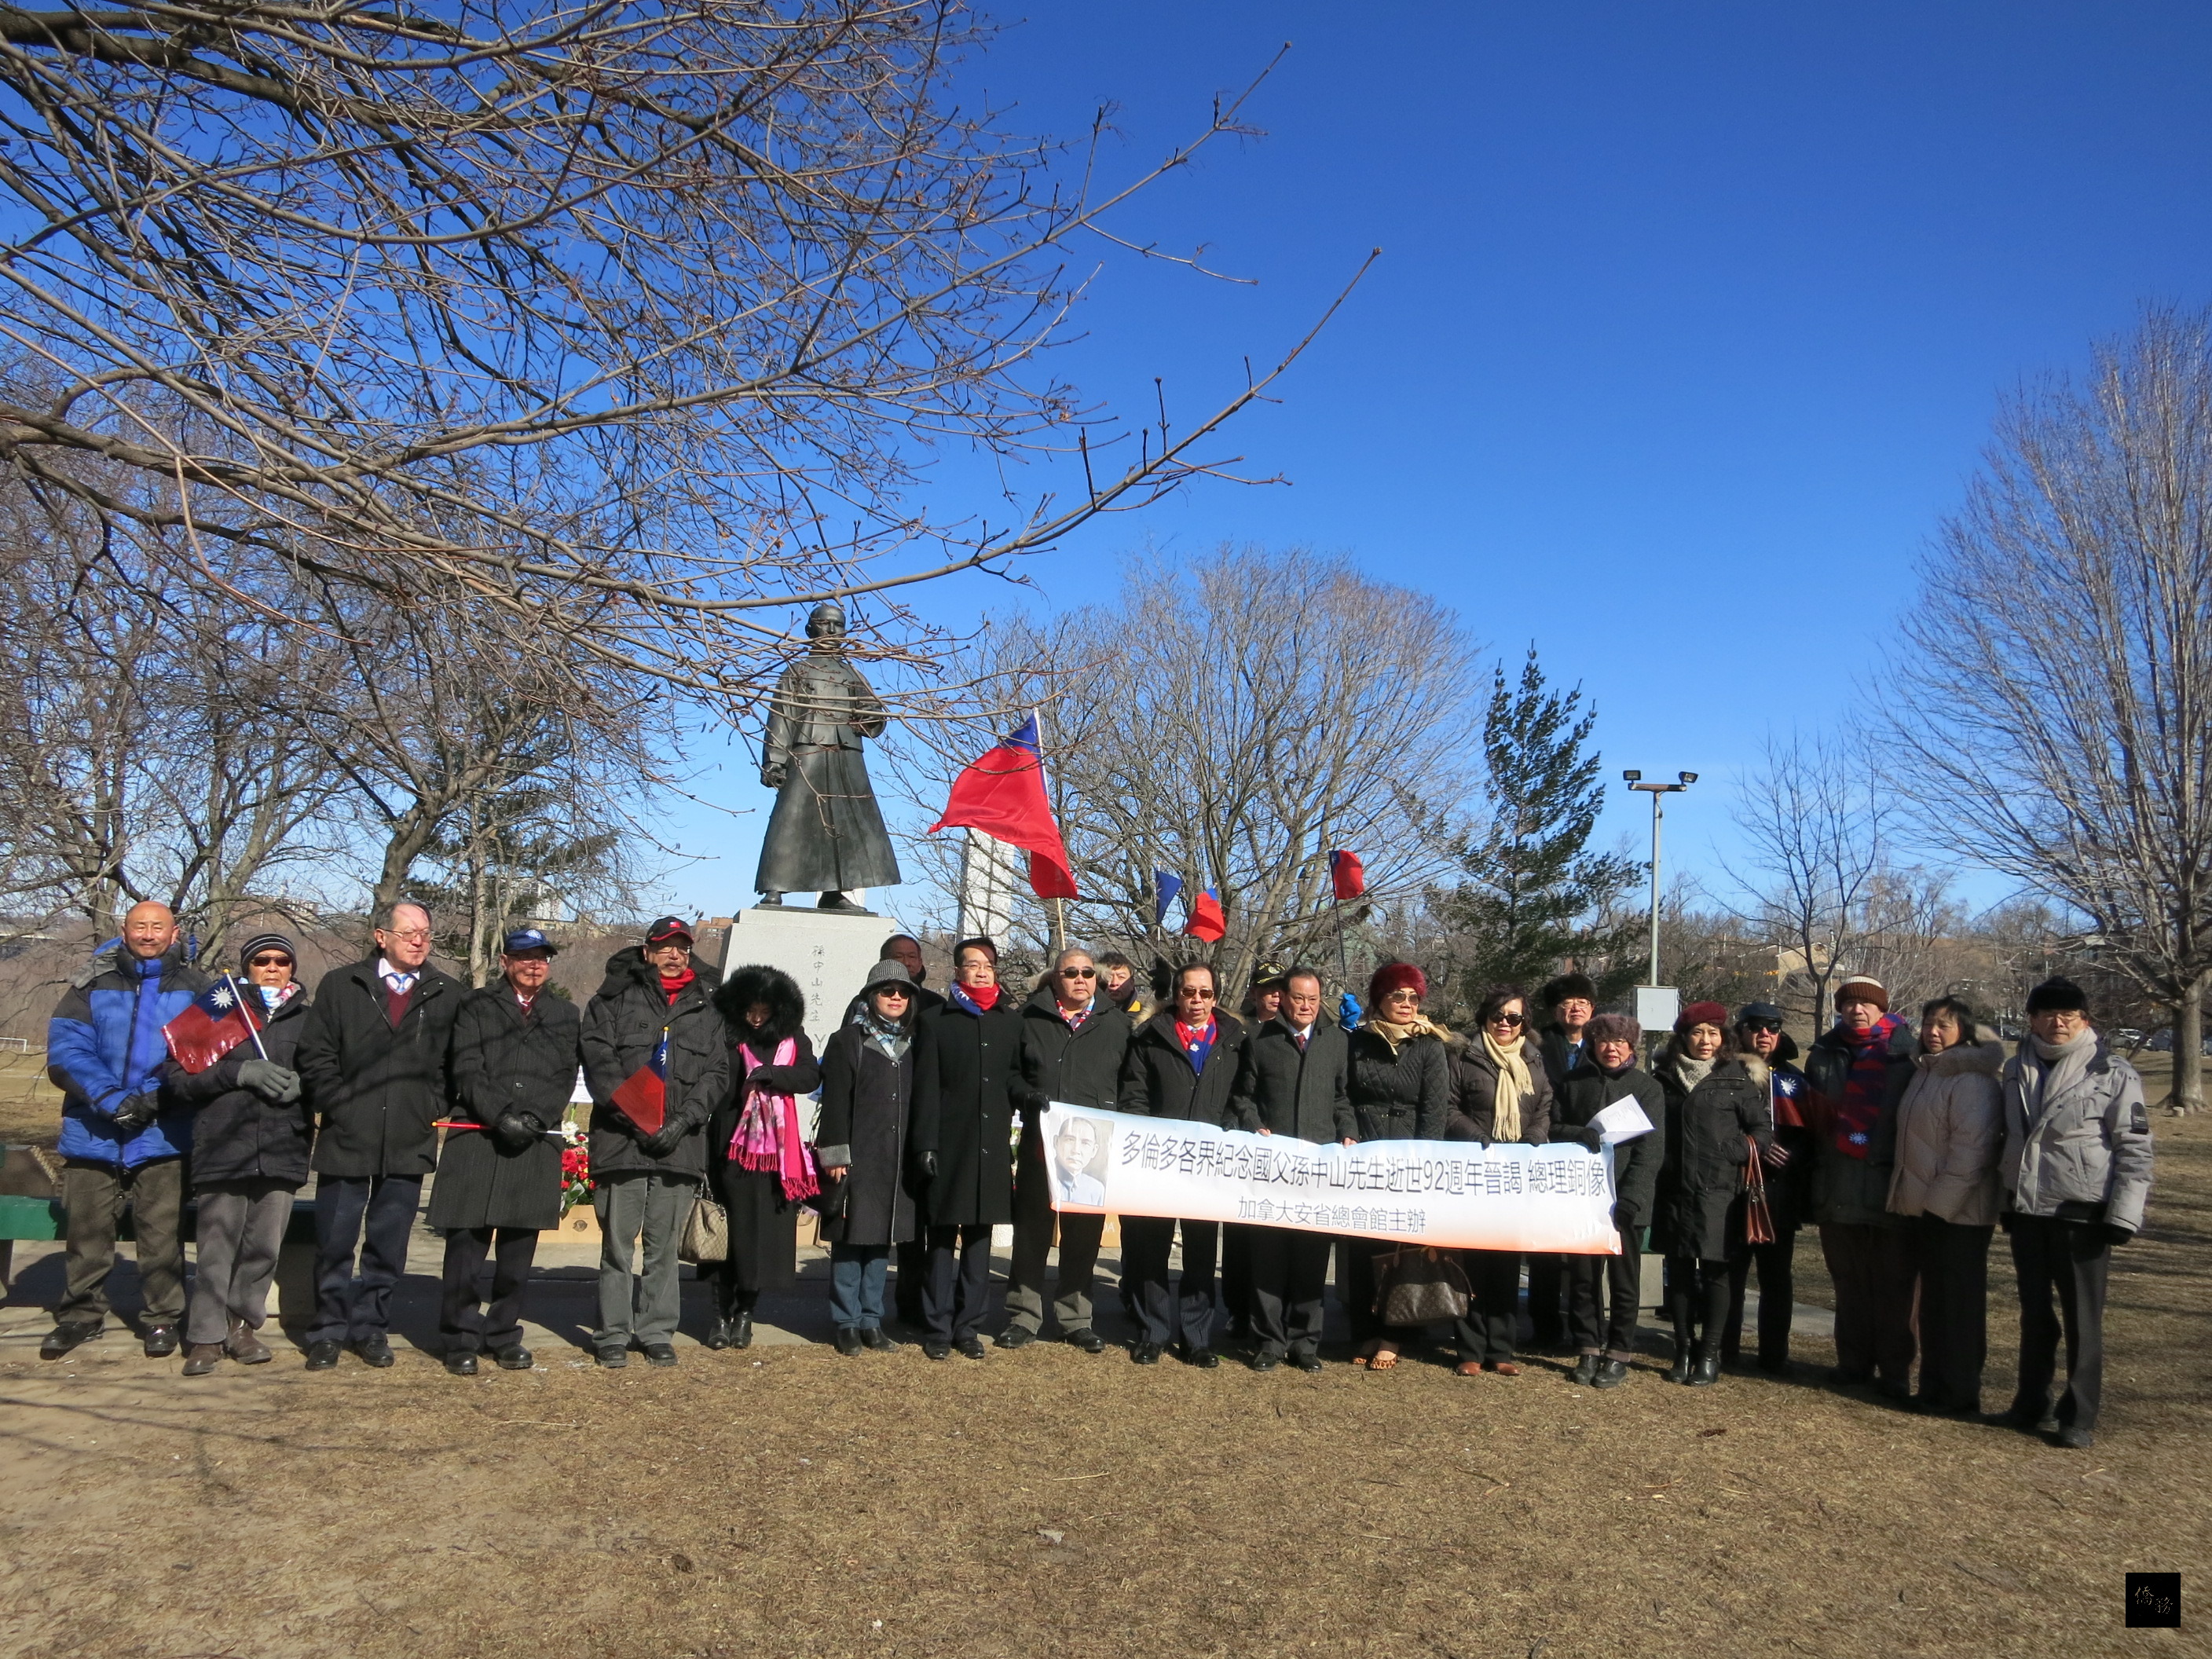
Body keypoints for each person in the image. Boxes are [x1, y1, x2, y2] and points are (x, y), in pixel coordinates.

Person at [295, 900, 463, 1370]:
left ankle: (372, 1328)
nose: (419, 941)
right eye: (409, 932)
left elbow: (453, 1067)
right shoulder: (342, 985)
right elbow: (316, 1054)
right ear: (381, 936)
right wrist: (339, 1103)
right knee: (334, 1242)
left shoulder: (445, 992)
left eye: (426, 934)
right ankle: (327, 1330)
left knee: (387, 1247)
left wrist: (431, 1107)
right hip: (348, 1137)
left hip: (409, 1140)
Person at [41, 900, 210, 1361]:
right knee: (87, 1230)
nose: (149, 934)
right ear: (125, 929)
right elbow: (67, 1051)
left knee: (161, 1235)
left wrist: (156, 1098)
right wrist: (112, 1101)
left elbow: (200, 1056)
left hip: (165, 1131)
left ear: (174, 934)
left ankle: (162, 1320)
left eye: (159, 927)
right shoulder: (89, 985)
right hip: (93, 1128)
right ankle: (80, 1315)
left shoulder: (198, 989)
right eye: (140, 926)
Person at [1995, 977, 2154, 1450]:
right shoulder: (2013, 1069)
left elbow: (2135, 1148)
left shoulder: (2112, 1071)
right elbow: (2009, 1139)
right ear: (2031, 1018)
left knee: (2084, 1320)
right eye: (2046, 1013)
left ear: (2085, 1020)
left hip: (2083, 1213)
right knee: (2034, 1315)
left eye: (2068, 1014)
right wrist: (2007, 1197)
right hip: (2028, 1210)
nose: (2057, 1022)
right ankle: (2031, 1400)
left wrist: (2124, 1215)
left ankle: (2079, 1413)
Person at [579, 917, 731, 1368]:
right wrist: (638, 1118)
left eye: (682, 947)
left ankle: (656, 1330)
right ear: (647, 951)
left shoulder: (709, 1006)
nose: (674, 955)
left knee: (663, 1248)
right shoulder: (612, 999)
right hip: (622, 1142)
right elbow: (599, 1062)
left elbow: (717, 1073)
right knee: (617, 1246)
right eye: (665, 947)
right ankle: (612, 1332)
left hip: (677, 1146)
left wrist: (682, 1121)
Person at [428, 928, 577, 1375]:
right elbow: (466, 1068)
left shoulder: (565, 1013)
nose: (534, 965)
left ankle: (503, 1334)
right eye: (525, 957)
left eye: (542, 958)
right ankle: (459, 1338)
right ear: (505, 961)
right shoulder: (475, 1006)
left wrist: (533, 1118)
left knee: (517, 1257)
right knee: (465, 1255)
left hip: (533, 1141)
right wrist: (501, 1115)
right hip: (478, 1137)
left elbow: (565, 1075)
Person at [163, 932, 311, 1375]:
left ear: (292, 968)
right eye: (262, 959)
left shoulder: (308, 1018)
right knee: (216, 1246)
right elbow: (179, 1078)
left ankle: (243, 1328)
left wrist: (311, 1085)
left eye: (281, 961)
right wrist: (237, 1072)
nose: (272, 967)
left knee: (263, 1247)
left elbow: (331, 1071)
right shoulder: (218, 1009)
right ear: (247, 966)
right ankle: (205, 1337)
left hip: (283, 1146)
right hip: (224, 1143)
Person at [1117, 961, 1249, 1366]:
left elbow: (1243, 1096)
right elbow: (1134, 1095)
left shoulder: (1236, 1040)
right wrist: (1152, 1137)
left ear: (1216, 996)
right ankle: (1152, 1332)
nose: (1196, 1000)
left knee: (1200, 1254)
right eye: (1189, 992)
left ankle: (1196, 1338)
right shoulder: (1149, 1037)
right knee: (1150, 1251)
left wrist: (1226, 1129)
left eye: (1205, 993)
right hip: (1158, 1161)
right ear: (1176, 995)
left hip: (1209, 1165)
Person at [1003, 947, 1132, 1353]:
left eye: (1088, 973)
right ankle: (1023, 1315)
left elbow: (1132, 1084)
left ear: (1099, 978)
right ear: (1055, 978)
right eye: (1071, 972)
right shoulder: (1029, 1019)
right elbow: (1010, 1074)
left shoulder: (1117, 1025)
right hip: (1042, 1146)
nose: (1080, 978)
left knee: (1083, 1237)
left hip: (1093, 1151)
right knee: (1031, 1233)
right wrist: (1026, 1095)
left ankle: (1075, 1317)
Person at [1230, 966, 1353, 1372]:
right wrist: (1253, 1125)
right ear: (1282, 998)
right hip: (1272, 1167)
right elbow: (1243, 1098)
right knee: (1268, 1257)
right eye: (1299, 998)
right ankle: (1268, 1341)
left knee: (1311, 1259)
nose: (1306, 1006)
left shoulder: (1335, 1041)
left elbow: (1343, 1098)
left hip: (1318, 1169)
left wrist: (1347, 1132)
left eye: (1313, 999)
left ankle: (1305, 1342)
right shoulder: (1259, 1040)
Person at [1886, 996, 2004, 1416]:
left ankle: (1959, 1393)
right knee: (1934, 1306)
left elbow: (1971, 1154)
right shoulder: (1928, 1072)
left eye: (1945, 1025)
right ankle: (1933, 1388)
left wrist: (1938, 1208)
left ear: (1965, 1031)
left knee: (1958, 1307)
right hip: (1927, 1211)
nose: (1933, 1032)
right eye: (1929, 1024)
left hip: (1959, 1215)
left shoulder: (1972, 1080)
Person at [1803, 973, 1917, 1397]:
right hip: (1839, 1186)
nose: (1857, 1010)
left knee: (1895, 1286)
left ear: (1882, 1008)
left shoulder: (1908, 1055)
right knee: (1848, 1282)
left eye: (1866, 1003)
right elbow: (1813, 1122)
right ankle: (1852, 1363)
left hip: (1890, 1187)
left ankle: (1895, 1371)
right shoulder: (1824, 1055)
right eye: (1849, 1003)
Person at [1650, 1001, 1772, 1387]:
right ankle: (1684, 1349)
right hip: (1673, 1192)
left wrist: (1728, 1153)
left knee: (1717, 1273)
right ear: (1683, 1038)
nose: (1706, 1040)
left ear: (1724, 1038)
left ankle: (1710, 1353)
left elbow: (1763, 1133)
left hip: (1720, 1192)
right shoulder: (1663, 1079)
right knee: (1681, 1274)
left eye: (1713, 1033)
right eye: (1698, 1033)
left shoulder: (1736, 1079)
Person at [911, 937, 1022, 1361]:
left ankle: (968, 1326)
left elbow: (1013, 1077)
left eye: (988, 965)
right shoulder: (937, 1021)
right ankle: (937, 1325)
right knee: (940, 1241)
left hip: (990, 1146)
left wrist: (1028, 1095)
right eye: (972, 965)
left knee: (979, 1240)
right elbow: (925, 1089)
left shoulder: (1009, 1022)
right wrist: (926, 1144)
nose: (981, 971)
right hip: (948, 1145)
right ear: (957, 971)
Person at [753, 599, 901, 908]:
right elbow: (782, 716)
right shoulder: (797, 671)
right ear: (810, 629)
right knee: (791, 820)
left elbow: (874, 713)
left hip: (847, 755)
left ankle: (835, 891)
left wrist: (870, 717)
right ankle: (776, 885)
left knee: (846, 824)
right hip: (807, 752)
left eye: (839, 625)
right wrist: (775, 761)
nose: (832, 631)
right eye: (825, 624)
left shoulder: (852, 675)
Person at [1342, 961, 1453, 1371]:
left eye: (1413, 997)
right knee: (1360, 1247)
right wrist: (1350, 1133)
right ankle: (1363, 1329)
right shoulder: (1358, 1041)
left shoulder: (1429, 1046)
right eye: (1397, 996)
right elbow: (1345, 1094)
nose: (1406, 1004)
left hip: (1409, 1155)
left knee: (1401, 1249)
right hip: (1364, 1151)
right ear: (1379, 1000)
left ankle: (1396, 1333)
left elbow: (1434, 1109)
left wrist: (1424, 1160)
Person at [816, 961, 928, 1354]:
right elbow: (834, 1103)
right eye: (887, 991)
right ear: (870, 997)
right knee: (850, 1239)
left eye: (902, 991)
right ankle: (846, 1321)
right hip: (856, 1155)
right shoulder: (847, 1040)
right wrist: (834, 1154)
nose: (895, 997)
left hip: (896, 1159)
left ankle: (871, 1318)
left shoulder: (917, 1041)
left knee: (882, 1240)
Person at [705, 965, 820, 1350]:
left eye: (764, 1011)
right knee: (727, 1230)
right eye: (750, 1010)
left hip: (776, 1153)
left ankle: (745, 1312)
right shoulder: (724, 1035)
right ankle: (720, 1313)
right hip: (730, 1143)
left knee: (760, 1237)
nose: (756, 1018)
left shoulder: (791, 1039)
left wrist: (771, 1074)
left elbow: (809, 1077)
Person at [1444, 984, 1555, 1377]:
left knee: (1507, 1263)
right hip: (1475, 1168)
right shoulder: (1463, 1054)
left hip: (1516, 1173)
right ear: (1484, 1017)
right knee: (1472, 1263)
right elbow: (1449, 1107)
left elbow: (1544, 1106)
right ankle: (1469, 1349)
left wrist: (1535, 1138)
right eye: (1498, 1016)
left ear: (1524, 1022)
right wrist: (1479, 1138)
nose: (1505, 1023)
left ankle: (1501, 1349)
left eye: (1514, 1017)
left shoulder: (1534, 1059)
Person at [1553, 1013, 1666, 1388]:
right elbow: (1551, 1128)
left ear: (1632, 1046)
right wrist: (1577, 1132)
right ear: (1592, 1044)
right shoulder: (1572, 1084)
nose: (1611, 1048)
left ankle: (1618, 1352)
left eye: (1620, 1041)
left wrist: (1633, 1197)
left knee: (1624, 1281)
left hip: (1628, 1201)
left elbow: (1651, 1150)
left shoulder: (1647, 1088)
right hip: (1584, 1199)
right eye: (1603, 1041)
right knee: (1583, 1279)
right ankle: (1587, 1347)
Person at [1721, 1002, 1812, 1374]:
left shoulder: (1794, 1079)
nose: (1765, 1035)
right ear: (1741, 1030)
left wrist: (1790, 1153)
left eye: (1773, 1028)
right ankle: (1724, 1350)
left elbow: (1811, 1130)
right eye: (1757, 1027)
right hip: (1734, 1189)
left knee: (1777, 1278)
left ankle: (1775, 1354)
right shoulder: (1726, 1074)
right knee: (1731, 1275)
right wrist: (1750, 1148)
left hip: (1778, 1194)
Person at [1528, 972, 1599, 1350]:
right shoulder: (1537, 1044)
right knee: (1546, 1251)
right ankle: (1544, 1327)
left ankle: (1587, 1330)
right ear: (1556, 1010)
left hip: (1591, 1158)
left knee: (1586, 1251)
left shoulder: (1605, 1044)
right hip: (1548, 1149)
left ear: (1592, 1009)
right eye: (1568, 1003)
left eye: (1582, 1003)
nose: (1575, 1009)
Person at [1218, 961, 1288, 1345]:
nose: (1274, 995)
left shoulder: (1302, 1031)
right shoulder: (1239, 1032)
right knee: (1242, 1237)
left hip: (1288, 1148)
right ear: (1255, 994)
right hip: (1248, 1142)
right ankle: (1238, 1311)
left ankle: (1276, 1316)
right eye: (1267, 989)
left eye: (1281, 988)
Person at [843, 935, 944, 1025]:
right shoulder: (862, 1003)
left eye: (912, 957)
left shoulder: (935, 1004)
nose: (907, 963)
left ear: (920, 963)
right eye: (899, 957)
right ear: (883, 962)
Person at [1100, 952, 1152, 1024]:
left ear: (1131, 982)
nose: (1114, 983)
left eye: (1121, 977)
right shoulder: (1088, 1015)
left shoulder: (1146, 1017)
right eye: (1108, 977)